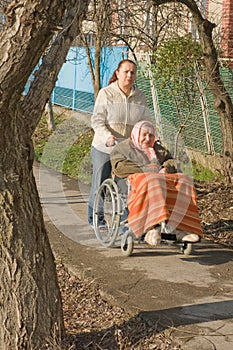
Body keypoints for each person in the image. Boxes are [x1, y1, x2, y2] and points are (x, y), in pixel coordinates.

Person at [110, 120, 203, 245]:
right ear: (136, 134)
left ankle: (183, 228)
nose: (148, 139)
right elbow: (120, 167)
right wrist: (149, 169)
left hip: (158, 178)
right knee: (153, 180)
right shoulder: (122, 148)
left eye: (151, 135)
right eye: (144, 135)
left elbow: (171, 160)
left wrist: (166, 168)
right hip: (132, 180)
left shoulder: (157, 148)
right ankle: (152, 228)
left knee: (184, 180)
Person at [88, 59, 152, 226]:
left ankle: (126, 220)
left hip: (126, 150)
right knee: (101, 182)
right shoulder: (107, 93)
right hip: (104, 147)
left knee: (127, 186)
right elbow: (97, 120)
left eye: (132, 72)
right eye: (126, 72)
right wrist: (107, 136)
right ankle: (97, 219)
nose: (129, 75)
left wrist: (147, 138)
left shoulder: (140, 97)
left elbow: (145, 122)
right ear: (117, 73)